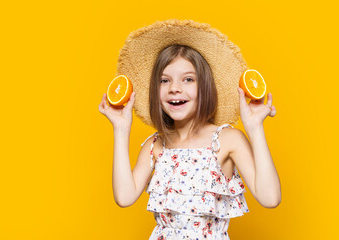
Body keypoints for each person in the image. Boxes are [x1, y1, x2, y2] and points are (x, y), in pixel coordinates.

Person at [98, 20, 281, 239]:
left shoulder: (227, 140)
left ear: (206, 86)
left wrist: (254, 128)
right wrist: (120, 128)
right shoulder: (155, 145)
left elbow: (270, 198)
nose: (175, 88)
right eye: (164, 80)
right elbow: (124, 197)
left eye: (188, 79)